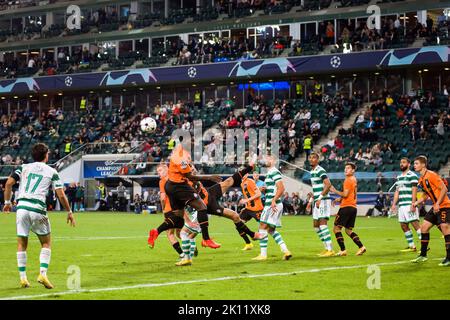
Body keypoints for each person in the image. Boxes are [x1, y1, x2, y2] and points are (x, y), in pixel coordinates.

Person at [2, 143, 75, 289]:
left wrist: (7, 202)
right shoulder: (51, 171)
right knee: (46, 243)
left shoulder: (23, 167)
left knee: (22, 243)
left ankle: (23, 278)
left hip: (21, 208)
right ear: (46, 155)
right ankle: (43, 273)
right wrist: (69, 211)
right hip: (37, 208)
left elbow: (9, 183)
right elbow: (60, 194)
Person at [151, 137, 222, 249]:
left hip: (171, 186)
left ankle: (156, 231)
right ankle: (206, 239)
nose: (193, 144)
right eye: (190, 142)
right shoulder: (181, 157)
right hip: (179, 186)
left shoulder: (180, 152)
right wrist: (210, 177)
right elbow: (189, 176)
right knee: (202, 207)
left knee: (178, 220)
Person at [411, 156, 450, 266]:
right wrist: (416, 203)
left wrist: (437, 203)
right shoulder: (421, 179)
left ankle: (449, 258)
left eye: (417, 163)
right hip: (436, 206)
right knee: (424, 228)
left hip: (444, 206)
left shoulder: (431, 175)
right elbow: (426, 195)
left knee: (445, 228)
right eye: (414, 163)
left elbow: (444, 189)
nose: (415, 165)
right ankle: (423, 255)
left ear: (423, 165)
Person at [253, 154, 292, 261]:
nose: (266, 159)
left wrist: (273, 200)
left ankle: (263, 255)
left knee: (262, 227)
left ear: (274, 161)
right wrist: (265, 190)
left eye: (269, 158)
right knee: (271, 230)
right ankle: (286, 251)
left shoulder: (274, 172)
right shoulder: (270, 173)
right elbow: (275, 188)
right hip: (274, 203)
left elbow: (281, 188)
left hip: (272, 204)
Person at [147, 163, 185, 260]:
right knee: (180, 232)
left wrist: (163, 209)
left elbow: (163, 198)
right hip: (181, 209)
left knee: (170, 234)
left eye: (160, 170)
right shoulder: (176, 178)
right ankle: (190, 248)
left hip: (169, 209)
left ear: (166, 169)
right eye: (157, 172)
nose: (158, 173)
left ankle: (182, 254)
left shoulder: (163, 181)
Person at [331, 162, 366, 256]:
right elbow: (351, 194)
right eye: (345, 168)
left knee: (336, 229)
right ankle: (361, 247)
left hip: (346, 207)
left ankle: (343, 250)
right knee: (348, 230)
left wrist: (335, 191)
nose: (346, 169)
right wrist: (340, 199)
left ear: (353, 170)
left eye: (348, 168)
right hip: (353, 207)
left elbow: (345, 194)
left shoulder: (348, 180)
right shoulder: (354, 179)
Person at [306, 152, 334, 257]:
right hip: (317, 200)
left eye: (314, 158)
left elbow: (328, 185)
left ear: (317, 160)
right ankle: (326, 248)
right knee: (316, 226)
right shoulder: (312, 171)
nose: (311, 159)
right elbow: (316, 189)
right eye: (310, 157)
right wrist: (310, 202)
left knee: (322, 225)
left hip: (323, 200)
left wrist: (320, 198)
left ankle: (330, 250)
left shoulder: (320, 170)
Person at [390, 158, 421, 252]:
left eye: (404, 162)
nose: (401, 164)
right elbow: (397, 191)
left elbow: (414, 189)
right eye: (400, 163)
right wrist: (393, 205)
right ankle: (412, 246)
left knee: (415, 224)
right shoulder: (399, 177)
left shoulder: (412, 175)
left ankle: (425, 246)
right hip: (401, 205)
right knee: (403, 225)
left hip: (409, 204)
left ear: (409, 164)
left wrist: (413, 203)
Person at [239, 173, 264, 249]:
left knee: (265, 229)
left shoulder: (250, 181)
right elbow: (248, 195)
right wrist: (246, 205)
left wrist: (246, 200)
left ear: (246, 174)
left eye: (243, 172)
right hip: (248, 209)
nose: (242, 174)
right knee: (238, 224)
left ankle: (263, 251)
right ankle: (248, 243)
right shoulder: (242, 183)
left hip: (257, 209)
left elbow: (259, 193)